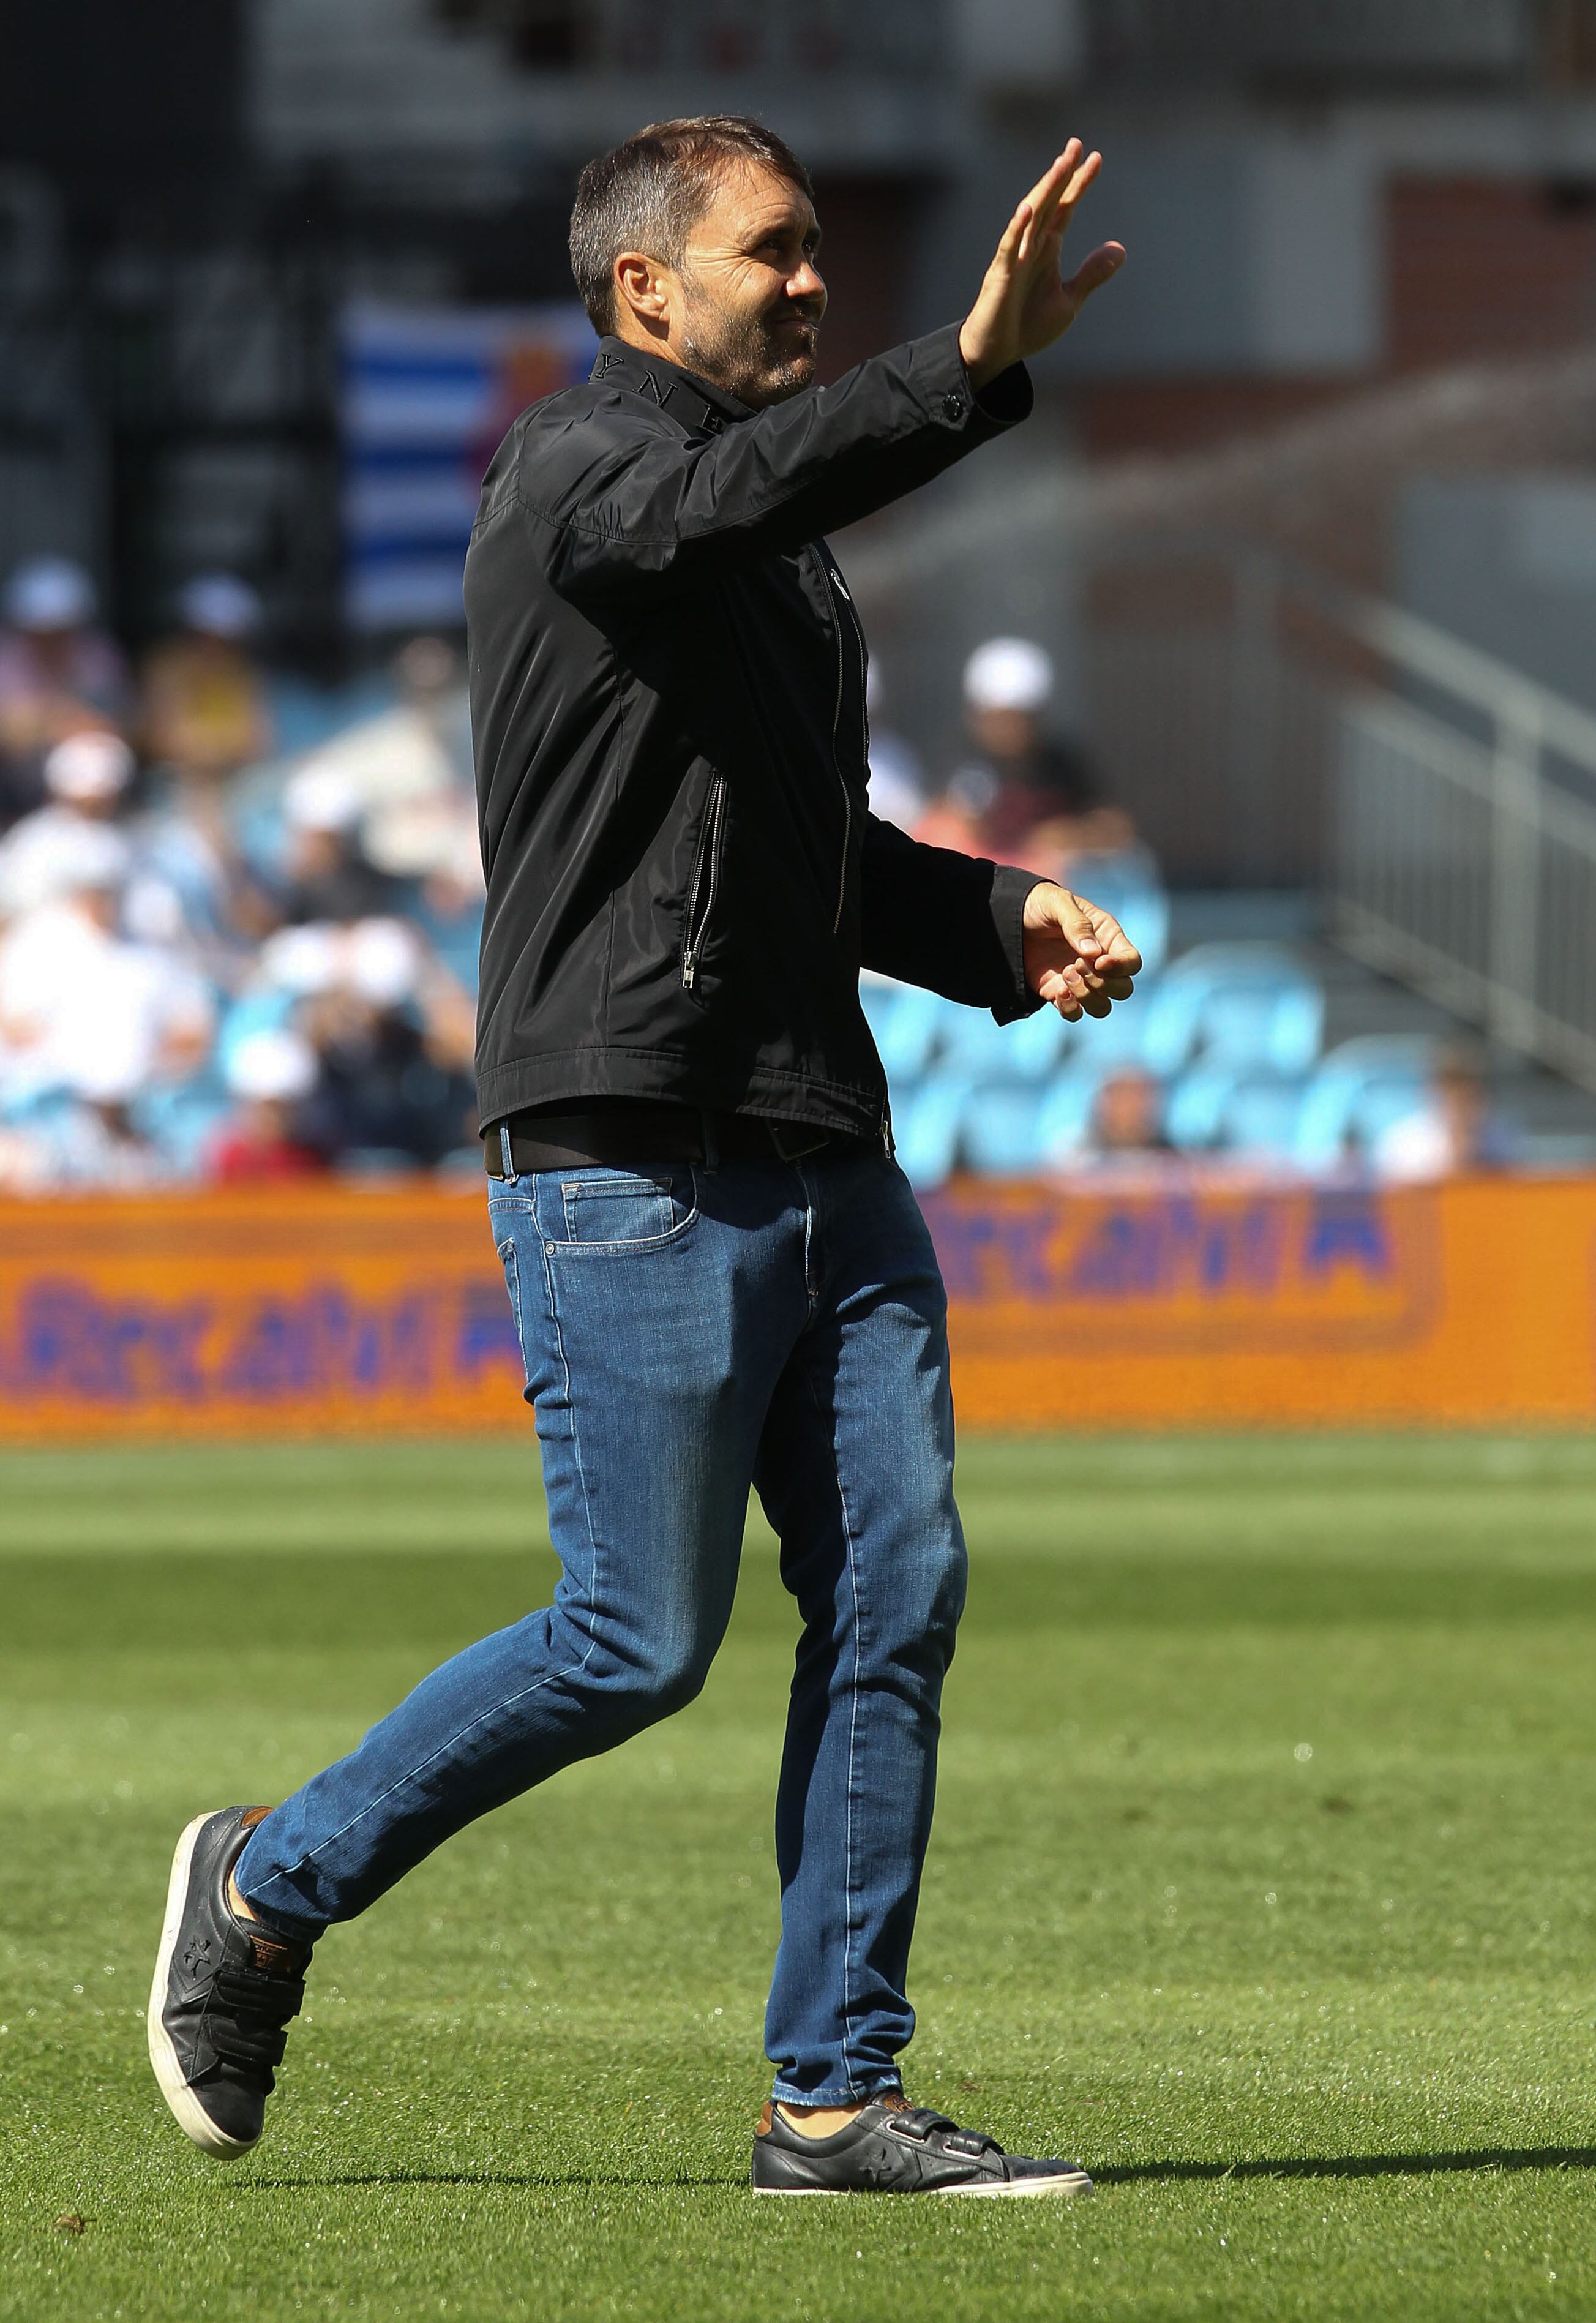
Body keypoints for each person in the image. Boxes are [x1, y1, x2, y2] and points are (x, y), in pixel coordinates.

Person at [148, 116, 1135, 2198]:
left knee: (896, 1594)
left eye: (812, 257)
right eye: (771, 253)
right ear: (642, 293)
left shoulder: (766, 551)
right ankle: (265, 1888)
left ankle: (828, 2097)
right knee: (633, 1639)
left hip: (817, 1135)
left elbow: (803, 853)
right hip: (623, 1145)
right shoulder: (576, 476)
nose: (808, 282)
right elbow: (723, 492)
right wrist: (960, 371)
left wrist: (984, 920)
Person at [924, 637, 1138, 875]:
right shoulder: (960, 761)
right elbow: (937, 832)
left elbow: (1116, 828)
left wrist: (1066, 837)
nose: (1008, 730)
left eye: (1019, 718)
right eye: (998, 718)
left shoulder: (1060, 763)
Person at [0, 557, 129, 824]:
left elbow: (121, 719)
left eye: (62, 628)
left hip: (81, 772)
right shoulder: (7, 657)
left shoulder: (97, 654)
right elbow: (10, 732)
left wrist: (61, 721)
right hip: (17, 777)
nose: (53, 638)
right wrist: (64, 720)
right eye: (43, 629)